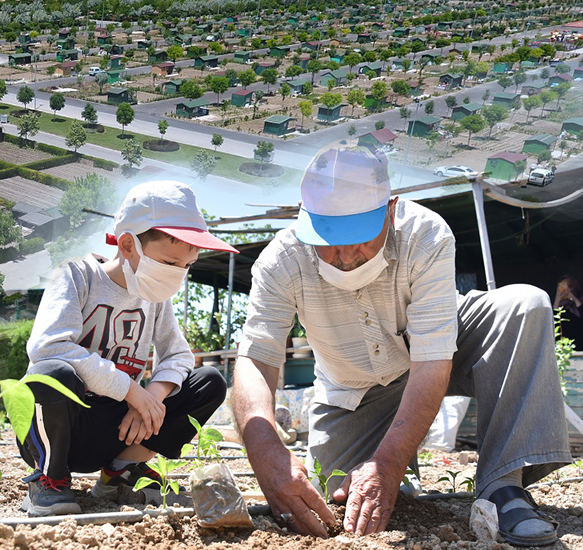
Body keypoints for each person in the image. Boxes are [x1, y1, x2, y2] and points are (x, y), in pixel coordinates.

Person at [233, 143, 570, 545]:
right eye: (329, 239)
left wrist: (388, 464)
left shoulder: (424, 235)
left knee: (523, 305)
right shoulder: (280, 262)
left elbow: (431, 360)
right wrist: (265, 449)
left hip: (443, 352)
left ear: (390, 211)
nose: (343, 256)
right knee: (332, 503)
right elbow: (256, 358)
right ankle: (397, 483)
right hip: (354, 390)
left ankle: (503, 487)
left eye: (358, 237)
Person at [16, 180, 237, 516]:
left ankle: (120, 471)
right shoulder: (78, 276)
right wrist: (132, 390)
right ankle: (50, 477)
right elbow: (48, 347)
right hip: (66, 425)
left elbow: (178, 355)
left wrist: (152, 398)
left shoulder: (155, 298)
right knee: (50, 374)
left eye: (186, 266)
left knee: (209, 381)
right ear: (128, 244)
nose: (178, 275)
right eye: (169, 262)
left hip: (118, 429)